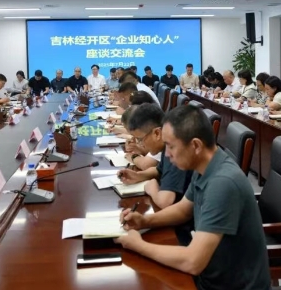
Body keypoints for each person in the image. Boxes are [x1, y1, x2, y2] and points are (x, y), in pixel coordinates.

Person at [115, 106, 271, 289]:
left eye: (171, 146)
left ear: (195, 146)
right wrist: (144, 221)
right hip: (209, 276)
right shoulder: (205, 165)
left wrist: (138, 245)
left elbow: (193, 261)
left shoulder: (223, 183)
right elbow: (183, 210)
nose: (167, 154)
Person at [117, 104, 193, 209]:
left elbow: (165, 201)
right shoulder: (167, 144)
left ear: (157, 133)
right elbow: (158, 170)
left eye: (140, 139)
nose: (140, 145)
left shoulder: (175, 150)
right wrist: (138, 175)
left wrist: (152, 188)